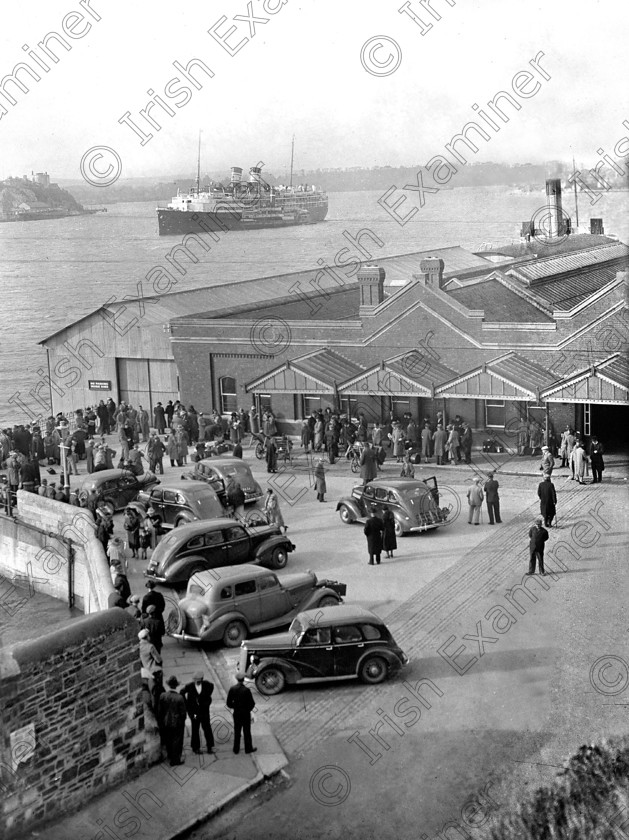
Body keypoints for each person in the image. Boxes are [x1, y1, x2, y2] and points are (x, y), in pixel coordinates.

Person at [181, 671, 215, 755]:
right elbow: (182, 692)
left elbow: (212, 687)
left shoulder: (207, 684)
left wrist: (208, 697)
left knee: (207, 728)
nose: (197, 682)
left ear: (202, 679)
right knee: (195, 729)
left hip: (204, 712)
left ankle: (209, 747)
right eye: (196, 680)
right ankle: (196, 748)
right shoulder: (189, 686)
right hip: (195, 713)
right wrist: (186, 704)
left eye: (199, 680)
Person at [158, 676, 187, 766]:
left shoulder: (163, 696)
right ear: (176, 686)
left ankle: (170, 755)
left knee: (168, 739)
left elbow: (160, 710)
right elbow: (183, 713)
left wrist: (161, 721)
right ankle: (175, 760)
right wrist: (182, 721)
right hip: (177, 722)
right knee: (177, 741)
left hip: (166, 722)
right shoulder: (179, 698)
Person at [226, 672, 256, 754]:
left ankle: (236, 749)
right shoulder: (246, 690)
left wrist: (235, 706)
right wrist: (248, 709)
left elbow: (228, 703)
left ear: (237, 679)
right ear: (243, 680)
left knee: (237, 731)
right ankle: (248, 749)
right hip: (245, 714)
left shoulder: (232, 689)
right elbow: (252, 703)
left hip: (237, 713)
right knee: (247, 732)